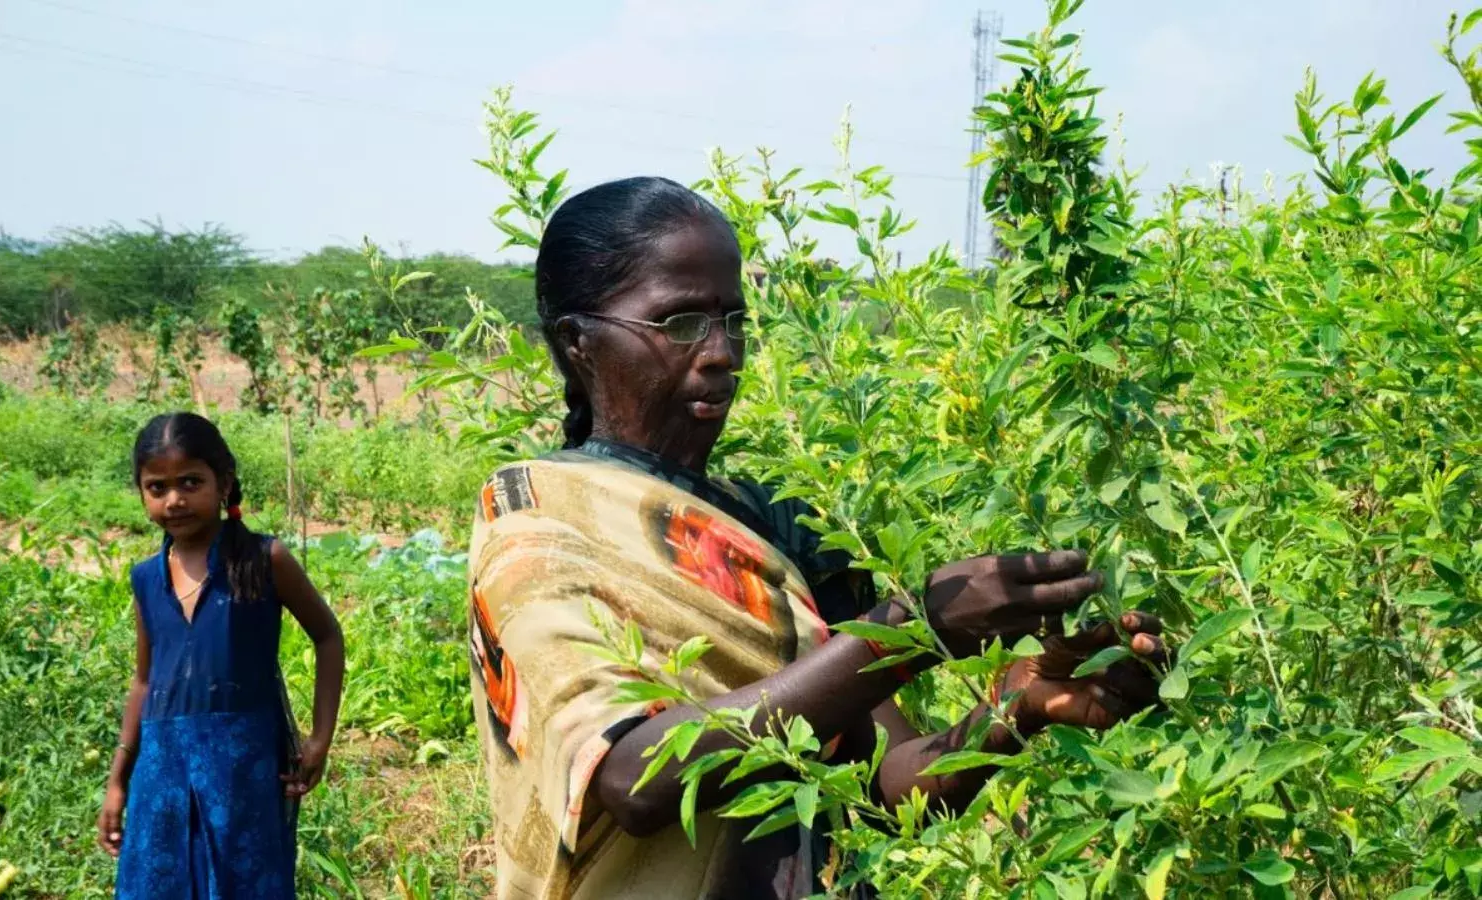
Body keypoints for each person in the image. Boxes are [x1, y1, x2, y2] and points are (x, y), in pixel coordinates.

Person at [465, 176, 1168, 900]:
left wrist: (1017, 708)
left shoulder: (771, 527)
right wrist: (908, 633)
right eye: (679, 324)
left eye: (733, 321)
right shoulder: (539, 524)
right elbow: (634, 779)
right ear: (578, 343)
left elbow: (886, 789)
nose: (720, 353)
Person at [97, 412, 346, 898]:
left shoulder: (262, 559)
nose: (175, 500)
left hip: (243, 765)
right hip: (162, 768)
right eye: (157, 487)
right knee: (157, 882)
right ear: (142, 493)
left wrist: (320, 739)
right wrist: (117, 781)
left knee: (245, 882)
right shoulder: (146, 579)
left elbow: (328, 637)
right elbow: (145, 682)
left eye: (191, 482)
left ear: (224, 482)